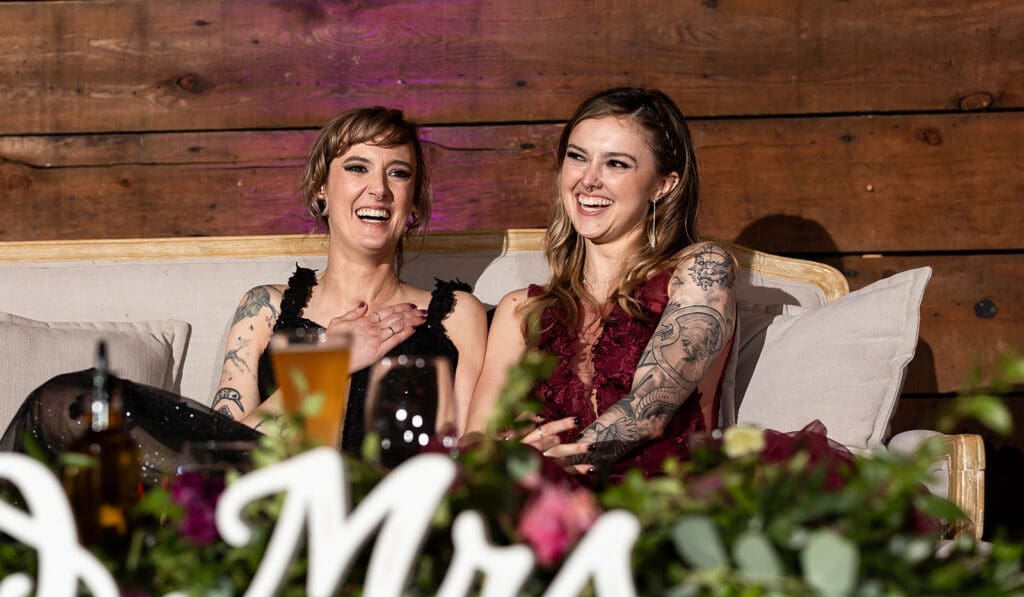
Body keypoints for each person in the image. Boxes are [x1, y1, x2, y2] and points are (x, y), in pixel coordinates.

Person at [465, 87, 737, 481]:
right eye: (577, 157)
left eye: (616, 164)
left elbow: (650, 408)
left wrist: (551, 462)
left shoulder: (703, 270)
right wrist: (508, 446)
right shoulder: (521, 310)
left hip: (662, 499)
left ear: (663, 184)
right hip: (541, 500)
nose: (588, 180)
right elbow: (475, 438)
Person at [212, 106, 487, 455]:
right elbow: (218, 457)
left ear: (414, 201)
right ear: (320, 189)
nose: (379, 189)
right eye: (358, 167)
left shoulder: (457, 315)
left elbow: (466, 459)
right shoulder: (264, 309)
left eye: (398, 173)